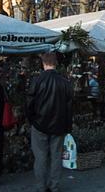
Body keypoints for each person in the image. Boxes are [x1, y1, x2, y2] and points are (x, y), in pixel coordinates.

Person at [27, 53, 73, 192]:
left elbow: (29, 102)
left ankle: (41, 186)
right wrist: (67, 126)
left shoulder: (37, 80)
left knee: (40, 157)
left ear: (43, 63)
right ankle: (54, 185)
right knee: (56, 156)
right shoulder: (64, 82)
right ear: (56, 64)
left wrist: (32, 120)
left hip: (39, 123)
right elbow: (69, 106)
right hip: (58, 124)